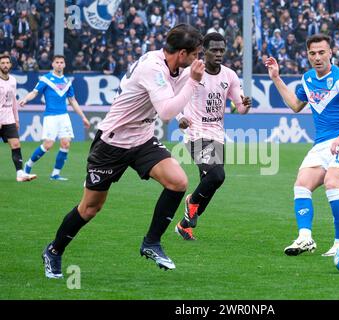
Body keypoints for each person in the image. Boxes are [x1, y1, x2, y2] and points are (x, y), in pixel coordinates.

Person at [40, 24, 204, 278]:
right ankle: (54, 250)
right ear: (182, 53)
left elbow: (174, 95)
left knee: (178, 182)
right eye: (195, 54)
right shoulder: (153, 67)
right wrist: (193, 82)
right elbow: (166, 112)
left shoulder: (173, 66)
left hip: (142, 139)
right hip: (112, 143)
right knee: (90, 208)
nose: (197, 59)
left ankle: (151, 243)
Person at [265, 34, 339, 257]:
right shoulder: (307, 79)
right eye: (312, 53)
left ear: (331, 53)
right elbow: (296, 105)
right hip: (321, 144)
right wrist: (276, 78)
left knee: (332, 183)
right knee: (301, 185)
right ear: (307, 55)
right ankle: (305, 238)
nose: (317, 57)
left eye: (321, 52)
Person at [174, 32, 252, 240]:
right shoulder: (192, 72)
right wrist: (179, 117)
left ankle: (184, 225)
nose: (218, 54)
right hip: (195, 132)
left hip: (217, 134)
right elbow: (175, 98)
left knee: (210, 185)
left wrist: (244, 105)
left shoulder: (229, 75)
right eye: (214, 50)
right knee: (217, 175)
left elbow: (239, 107)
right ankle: (190, 201)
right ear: (203, 51)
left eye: (221, 50)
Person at [19, 55, 90, 181]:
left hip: (64, 116)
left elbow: (73, 101)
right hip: (51, 116)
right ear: (52, 64)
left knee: (66, 143)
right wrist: (25, 99)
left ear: (64, 65)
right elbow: (34, 92)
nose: (59, 64)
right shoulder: (46, 79)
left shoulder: (67, 82)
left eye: (61, 62)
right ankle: (28, 164)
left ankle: (55, 174)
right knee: (48, 145)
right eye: (57, 62)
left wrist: (83, 117)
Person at [0, 54, 37, 182]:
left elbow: (14, 101)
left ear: (10, 65)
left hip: (9, 117)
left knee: (16, 144)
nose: (5, 65)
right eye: (2, 63)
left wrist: (16, 119)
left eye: (7, 63)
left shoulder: (13, 80)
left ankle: (20, 173)